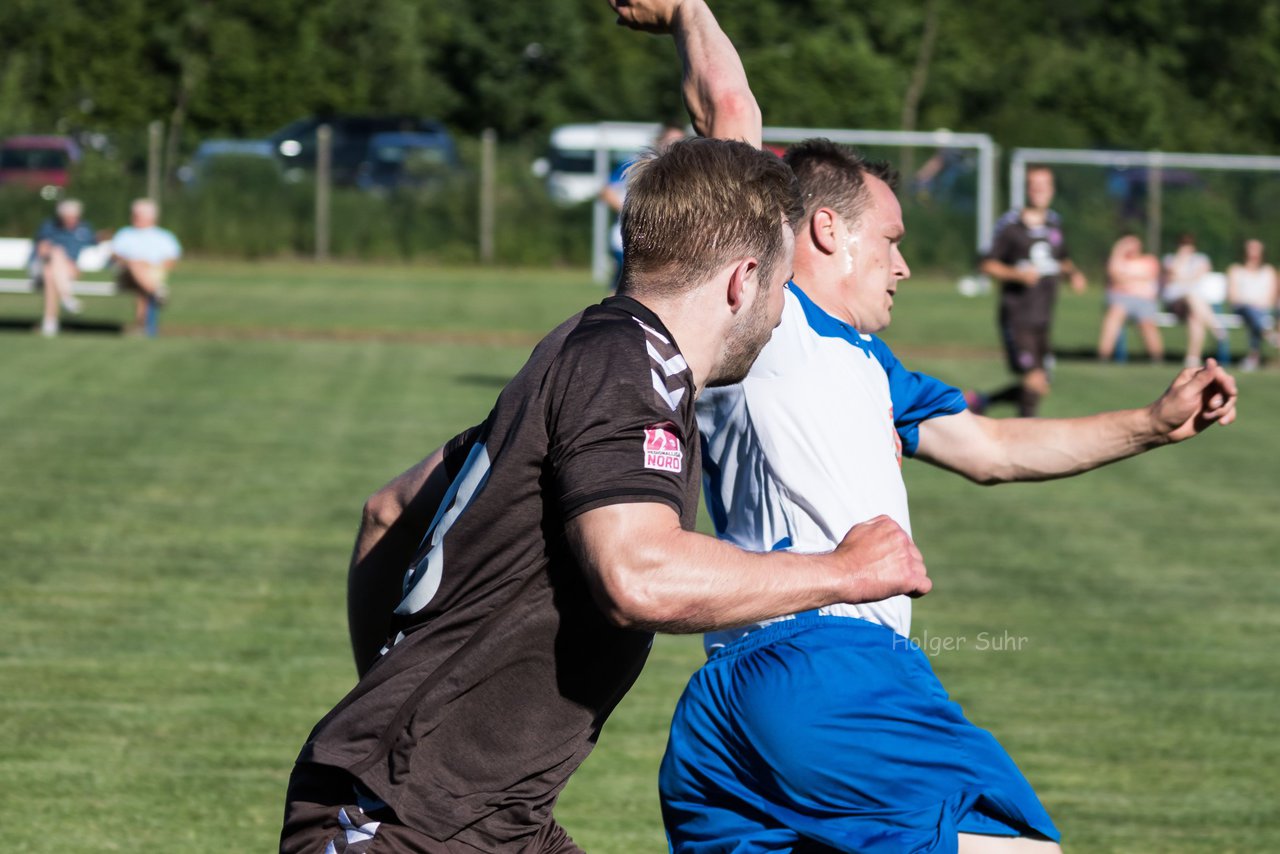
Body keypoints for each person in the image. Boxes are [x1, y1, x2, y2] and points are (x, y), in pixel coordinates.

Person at [280, 7, 931, 851]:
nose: (783, 318)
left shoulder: (589, 351)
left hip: (481, 817)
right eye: (780, 291)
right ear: (742, 281)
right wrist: (841, 572)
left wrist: (689, 13)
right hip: (408, 827)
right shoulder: (634, 371)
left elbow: (387, 508)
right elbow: (638, 575)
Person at [607, 3, 1240, 852]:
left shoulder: (868, 368)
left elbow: (991, 450)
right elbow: (730, 115)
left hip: (731, 710)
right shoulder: (770, 312)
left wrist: (1152, 424)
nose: (905, 264)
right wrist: (690, 10)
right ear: (826, 231)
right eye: (892, 239)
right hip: (829, 669)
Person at [976, 168, 1087, 416]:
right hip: (1017, 316)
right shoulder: (1011, 225)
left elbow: (1063, 259)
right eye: (1034, 185)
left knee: (1041, 383)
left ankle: (983, 402)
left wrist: (1074, 274)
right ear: (1026, 189)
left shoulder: (1054, 223)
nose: (1039, 190)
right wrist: (1017, 274)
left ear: (1052, 189)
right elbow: (986, 264)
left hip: (1043, 318)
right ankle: (1026, 435)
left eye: (1044, 185)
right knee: (1034, 379)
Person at [600, 121, 687, 291]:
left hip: (667, 234)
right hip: (632, 233)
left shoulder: (683, 169)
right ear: (659, 141)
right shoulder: (638, 164)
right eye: (671, 140)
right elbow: (606, 191)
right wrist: (633, 212)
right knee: (626, 284)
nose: (674, 145)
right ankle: (612, 315)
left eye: (679, 141)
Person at [111, 198, 181, 337]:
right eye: (134, 214)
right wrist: (135, 263)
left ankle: (144, 327)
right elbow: (115, 255)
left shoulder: (164, 236)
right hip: (126, 276)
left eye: (137, 214)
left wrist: (149, 265)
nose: (134, 217)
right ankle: (157, 292)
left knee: (143, 285)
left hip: (152, 274)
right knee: (135, 265)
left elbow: (172, 260)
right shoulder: (125, 233)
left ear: (150, 217)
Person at [30, 198, 97, 337]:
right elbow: (42, 250)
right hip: (44, 269)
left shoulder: (84, 228)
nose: (70, 220)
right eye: (67, 217)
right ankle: (66, 297)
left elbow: (95, 244)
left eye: (73, 217)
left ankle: (50, 322)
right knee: (53, 261)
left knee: (52, 270)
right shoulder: (49, 226)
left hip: (71, 271)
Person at [1162, 233, 1228, 368]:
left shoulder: (1201, 259)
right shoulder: (1170, 259)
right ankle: (1214, 325)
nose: (1186, 248)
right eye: (1183, 245)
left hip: (1195, 305)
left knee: (1195, 317)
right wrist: (1182, 264)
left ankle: (1192, 358)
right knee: (1191, 295)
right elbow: (1172, 276)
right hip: (1175, 303)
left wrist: (1182, 278)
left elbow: (1198, 275)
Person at [1097, 234, 1165, 362]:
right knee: (1114, 316)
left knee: (1147, 324)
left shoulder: (1149, 260)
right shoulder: (1119, 260)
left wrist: (1127, 279)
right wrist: (1118, 250)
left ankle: (1157, 358)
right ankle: (1103, 356)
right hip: (1121, 299)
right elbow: (1115, 276)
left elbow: (1149, 278)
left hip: (1145, 301)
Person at [1226, 238, 1278, 371]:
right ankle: (1267, 335)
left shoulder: (1269, 271)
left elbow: (1272, 297)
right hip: (1243, 308)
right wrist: (1252, 303)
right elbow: (1233, 297)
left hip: (1264, 310)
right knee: (1253, 313)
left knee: (1257, 318)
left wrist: (1260, 305)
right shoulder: (1235, 269)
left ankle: (1253, 357)